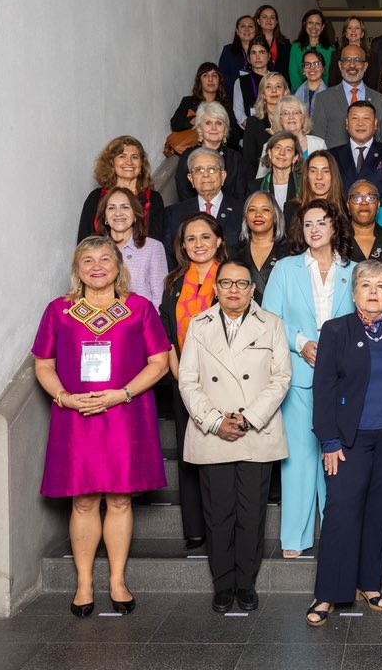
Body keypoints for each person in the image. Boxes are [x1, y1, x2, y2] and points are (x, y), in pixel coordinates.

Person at [33, 237, 170, 617]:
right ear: (78, 268)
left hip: (125, 413)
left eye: (105, 258)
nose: (97, 266)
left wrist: (122, 394)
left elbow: (159, 362)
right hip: (76, 415)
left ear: (118, 266)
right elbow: (43, 364)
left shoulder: (139, 308)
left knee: (121, 499)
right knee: (84, 499)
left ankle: (117, 581)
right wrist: (63, 397)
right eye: (88, 260)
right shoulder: (59, 311)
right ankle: (84, 583)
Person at [306, 261, 382, 626]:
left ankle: (369, 583)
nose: (373, 291)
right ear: (355, 292)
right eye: (365, 285)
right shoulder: (336, 330)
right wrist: (329, 440)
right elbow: (324, 389)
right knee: (342, 511)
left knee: (378, 513)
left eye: (380, 285)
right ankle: (328, 592)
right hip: (349, 440)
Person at [178, 257, 292, 614]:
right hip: (213, 433)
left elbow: (281, 379)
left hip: (255, 431)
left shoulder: (271, 324)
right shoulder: (199, 324)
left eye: (242, 283)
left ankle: (246, 583)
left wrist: (246, 418)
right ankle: (222, 584)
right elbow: (188, 380)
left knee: (252, 513)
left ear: (252, 289)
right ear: (216, 287)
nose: (234, 290)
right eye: (226, 283)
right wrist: (214, 421)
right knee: (218, 513)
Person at [262, 200, 357, 557]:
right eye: (307, 224)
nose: (314, 229)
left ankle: (334, 534)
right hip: (298, 375)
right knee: (299, 457)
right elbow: (270, 319)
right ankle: (296, 539)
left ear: (335, 226)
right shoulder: (286, 269)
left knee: (337, 458)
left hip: (342, 376)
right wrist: (301, 343)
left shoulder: (354, 269)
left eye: (322, 222)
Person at [160, 214, 228, 550]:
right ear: (182, 245)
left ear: (218, 240)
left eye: (205, 237)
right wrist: (178, 373)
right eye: (191, 239)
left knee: (220, 454)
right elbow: (167, 334)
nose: (198, 244)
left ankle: (222, 528)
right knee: (189, 454)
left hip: (224, 379)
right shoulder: (173, 283)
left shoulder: (230, 277)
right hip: (183, 378)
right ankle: (195, 529)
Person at [163, 147, 244, 269]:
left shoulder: (242, 210)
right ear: (191, 179)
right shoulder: (174, 214)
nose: (205, 175)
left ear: (223, 176)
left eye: (212, 170)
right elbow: (169, 258)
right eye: (199, 170)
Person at [78, 136, 164, 242]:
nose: (129, 162)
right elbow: (84, 243)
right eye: (122, 156)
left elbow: (158, 241)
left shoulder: (154, 199)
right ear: (112, 163)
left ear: (141, 164)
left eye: (135, 157)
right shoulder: (96, 198)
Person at [94, 187, 167, 309]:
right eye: (111, 207)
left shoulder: (153, 248)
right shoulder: (94, 249)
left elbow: (159, 300)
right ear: (105, 218)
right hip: (101, 323)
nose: (118, 213)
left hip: (142, 323)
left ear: (135, 215)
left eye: (125, 207)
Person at [311, 44, 382, 148]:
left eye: (357, 60)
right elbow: (317, 141)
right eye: (347, 60)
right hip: (335, 162)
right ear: (340, 65)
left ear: (365, 66)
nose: (352, 65)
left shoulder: (380, 100)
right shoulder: (323, 99)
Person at [328, 100, 382, 202]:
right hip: (342, 216)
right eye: (355, 118)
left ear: (376, 123)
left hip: (381, 215)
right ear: (347, 123)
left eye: (366, 118)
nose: (360, 123)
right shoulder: (331, 155)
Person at [175, 101, 247, 203]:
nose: (214, 128)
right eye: (208, 123)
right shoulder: (188, 156)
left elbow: (240, 196)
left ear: (225, 129)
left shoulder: (235, 158)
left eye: (218, 123)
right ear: (200, 128)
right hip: (195, 216)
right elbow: (184, 194)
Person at [169, 62, 242, 148]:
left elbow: (235, 133)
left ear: (219, 81)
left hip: (220, 148)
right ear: (199, 80)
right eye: (205, 75)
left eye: (214, 76)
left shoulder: (225, 104)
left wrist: (220, 131)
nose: (210, 79)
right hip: (195, 148)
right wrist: (195, 120)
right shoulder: (188, 101)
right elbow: (175, 124)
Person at [235, 190, 289, 305]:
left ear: (275, 216)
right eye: (252, 210)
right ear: (246, 217)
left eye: (265, 210)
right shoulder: (234, 255)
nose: (258, 214)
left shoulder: (289, 253)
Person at [256, 96, 325, 176]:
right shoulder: (269, 146)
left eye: (296, 112)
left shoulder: (319, 144)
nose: (291, 117)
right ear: (280, 120)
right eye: (286, 113)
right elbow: (260, 181)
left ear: (303, 118)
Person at [240, 72, 290, 177]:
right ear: (263, 94)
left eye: (278, 86)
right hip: (262, 182)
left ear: (285, 92)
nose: (273, 91)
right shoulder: (253, 123)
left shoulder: (293, 121)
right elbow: (249, 162)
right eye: (268, 87)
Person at [284, 150, 348, 228]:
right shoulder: (292, 209)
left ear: (333, 176)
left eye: (326, 171)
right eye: (313, 171)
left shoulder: (345, 208)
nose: (319, 177)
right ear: (307, 176)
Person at [248, 131, 304, 220]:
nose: (282, 153)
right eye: (278, 147)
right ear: (270, 153)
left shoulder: (304, 186)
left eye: (288, 149)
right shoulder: (254, 187)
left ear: (295, 158)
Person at [346, 180, 382, 262]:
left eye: (371, 198)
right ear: (348, 206)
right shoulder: (336, 239)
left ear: (378, 205)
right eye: (357, 198)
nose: (364, 203)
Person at [232, 37, 273, 131]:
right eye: (253, 52)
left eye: (262, 52)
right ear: (248, 58)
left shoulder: (277, 79)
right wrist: (255, 130)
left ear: (269, 56)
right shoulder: (241, 82)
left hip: (276, 132)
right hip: (251, 132)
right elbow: (239, 113)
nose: (257, 57)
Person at [289, 9, 335, 92]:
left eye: (317, 24)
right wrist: (301, 93)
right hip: (299, 92)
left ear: (322, 27)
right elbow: (294, 73)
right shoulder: (296, 47)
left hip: (324, 92)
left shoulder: (330, 49)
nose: (314, 27)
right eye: (310, 23)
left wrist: (323, 92)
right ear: (304, 25)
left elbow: (329, 75)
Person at [328, 15, 377, 88]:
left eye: (357, 28)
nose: (353, 30)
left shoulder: (371, 56)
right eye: (350, 27)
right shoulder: (336, 55)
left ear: (362, 34)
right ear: (346, 34)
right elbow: (333, 81)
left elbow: (373, 82)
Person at [217, 14, 257, 99]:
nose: (247, 29)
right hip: (233, 97)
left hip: (258, 97)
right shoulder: (228, 50)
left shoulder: (263, 51)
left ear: (255, 31)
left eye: (250, 26)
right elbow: (222, 76)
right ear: (237, 31)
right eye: (243, 26)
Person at [254, 4, 292, 83]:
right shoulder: (253, 42)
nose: (269, 20)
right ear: (258, 21)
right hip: (258, 84)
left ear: (276, 21)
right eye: (264, 17)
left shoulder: (285, 44)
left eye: (272, 17)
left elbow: (289, 70)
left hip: (281, 86)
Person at [295, 49, 328, 116]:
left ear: (323, 69)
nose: (312, 68)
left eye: (316, 64)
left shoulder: (331, 95)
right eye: (307, 64)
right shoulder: (296, 95)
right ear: (303, 69)